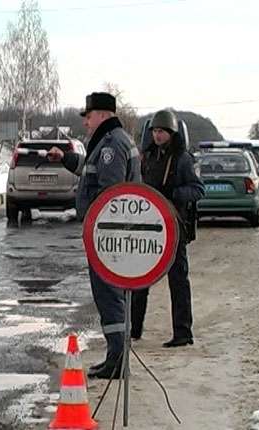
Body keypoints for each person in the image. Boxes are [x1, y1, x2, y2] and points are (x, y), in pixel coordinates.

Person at [47, 92, 141, 378]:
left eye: (88, 116)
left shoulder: (112, 144)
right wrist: (65, 159)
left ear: (103, 114)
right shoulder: (108, 141)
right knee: (108, 295)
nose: (86, 122)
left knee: (109, 295)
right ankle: (115, 356)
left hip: (107, 235)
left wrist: (98, 229)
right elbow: (91, 172)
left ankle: (118, 360)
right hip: (106, 234)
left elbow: (109, 194)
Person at [131, 110, 204, 347]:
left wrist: (173, 194)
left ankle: (183, 332)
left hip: (174, 226)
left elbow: (198, 189)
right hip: (149, 226)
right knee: (140, 277)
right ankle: (134, 328)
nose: (157, 135)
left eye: (161, 131)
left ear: (171, 133)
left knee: (178, 280)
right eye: (154, 131)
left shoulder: (182, 159)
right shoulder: (147, 157)